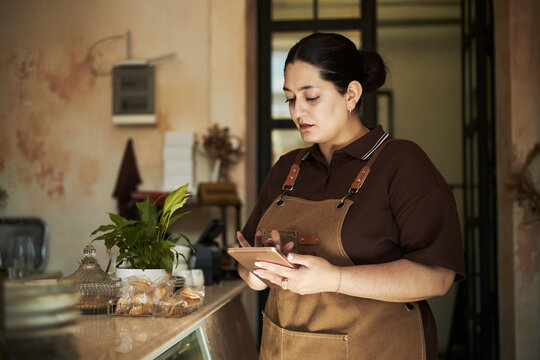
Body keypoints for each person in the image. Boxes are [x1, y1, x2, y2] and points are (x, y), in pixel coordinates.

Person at [236, 33, 465, 360]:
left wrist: (335, 278)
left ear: (351, 94)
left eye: (311, 97)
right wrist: (258, 274)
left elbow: (437, 276)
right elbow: (248, 262)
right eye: (290, 98)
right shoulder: (288, 169)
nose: (297, 111)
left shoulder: (401, 162)